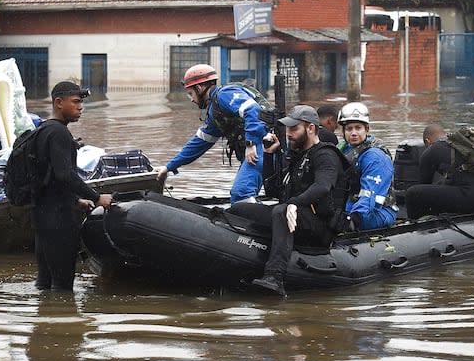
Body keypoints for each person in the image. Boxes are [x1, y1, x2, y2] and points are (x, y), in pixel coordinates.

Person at [251, 105, 348, 296]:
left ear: (310, 129)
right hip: (295, 217)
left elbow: (322, 186)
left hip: (320, 226)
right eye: (288, 129)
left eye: (294, 129)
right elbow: (272, 190)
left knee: (281, 211)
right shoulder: (296, 156)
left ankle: (274, 277)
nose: (288, 134)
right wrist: (269, 155)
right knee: (240, 208)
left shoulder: (326, 155)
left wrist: (294, 203)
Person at [31, 81, 113, 291]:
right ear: (59, 102)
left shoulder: (43, 130)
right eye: (75, 102)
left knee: (44, 283)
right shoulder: (59, 133)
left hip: (42, 218)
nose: (80, 107)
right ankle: (63, 322)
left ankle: (43, 322)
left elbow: (48, 178)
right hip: (58, 221)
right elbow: (65, 174)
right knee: (64, 288)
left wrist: (76, 200)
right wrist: (97, 198)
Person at [155, 64, 270, 204]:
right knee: (242, 193)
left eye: (190, 93)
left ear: (199, 88)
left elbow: (253, 110)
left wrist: (250, 143)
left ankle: (257, 223)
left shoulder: (225, 95)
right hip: (257, 149)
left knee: (241, 194)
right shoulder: (215, 112)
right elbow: (199, 143)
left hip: (263, 146)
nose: (191, 99)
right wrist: (169, 167)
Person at [405, 126, 474, 219]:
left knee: (413, 193)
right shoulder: (462, 146)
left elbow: (424, 186)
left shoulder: (432, 150)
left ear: (427, 141)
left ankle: (416, 227)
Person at [337, 102, 397, 231]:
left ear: (367, 129)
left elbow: (370, 193)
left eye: (358, 128)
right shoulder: (344, 150)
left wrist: (353, 218)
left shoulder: (375, 157)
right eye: (349, 129)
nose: (353, 133)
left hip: (377, 212)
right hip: (350, 204)